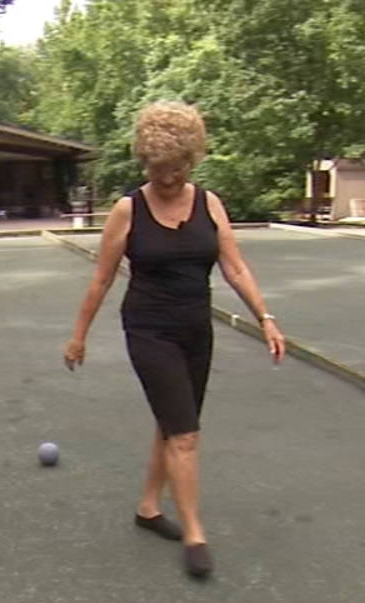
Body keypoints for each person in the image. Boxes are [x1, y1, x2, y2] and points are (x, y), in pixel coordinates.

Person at [62, 101, 285, 578]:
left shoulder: (210, 204)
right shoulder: (128, 210)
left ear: (192, 157)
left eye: (178, 167)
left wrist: (264, 317)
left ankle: (148, 507)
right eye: (159, 168)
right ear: (146, 160)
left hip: (195, 330)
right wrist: (78, 336)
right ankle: (195, 532)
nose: (169, 178)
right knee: (184, 434)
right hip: (148, 329)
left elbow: (235, 266)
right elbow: (100, 280)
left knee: (172, 423)